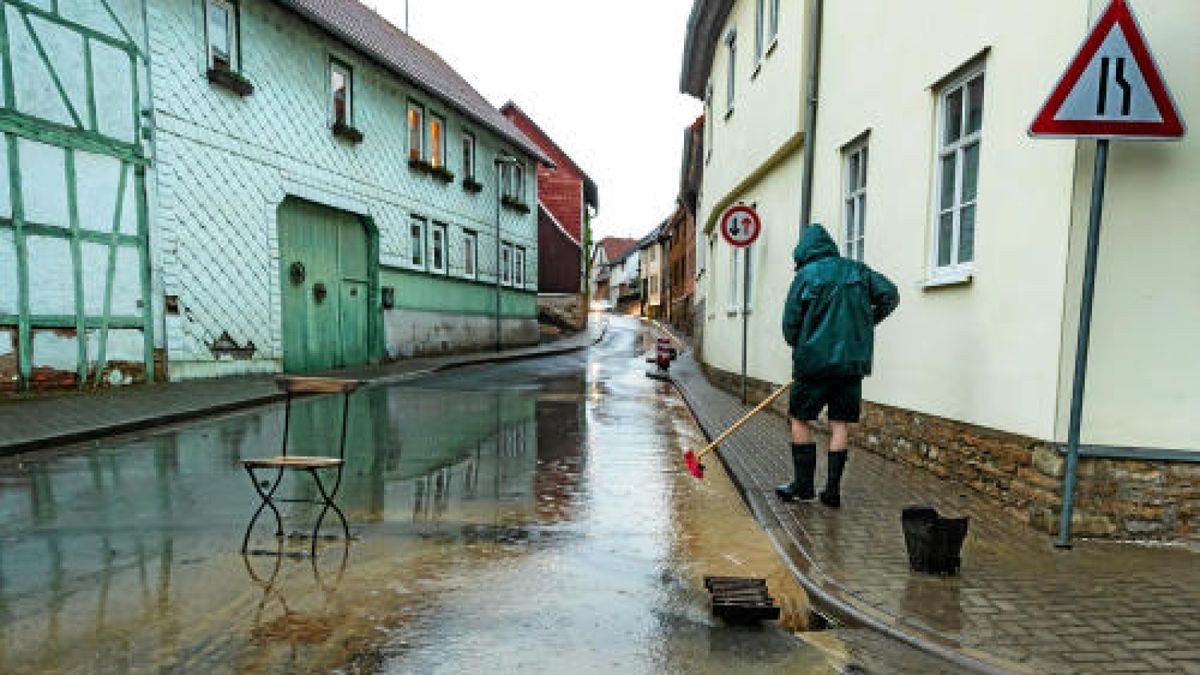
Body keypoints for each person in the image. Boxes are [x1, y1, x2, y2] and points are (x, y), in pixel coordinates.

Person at [775, 224, 899, 507]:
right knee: (840, 423)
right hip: (851, 365)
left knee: (799, 418)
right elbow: (890, 295)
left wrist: (801, 344)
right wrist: (866, 322)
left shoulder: (806, 276)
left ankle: (803, 487)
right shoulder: (857, 270)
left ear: (804, 252)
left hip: (813, 365)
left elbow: (790, 325)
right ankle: (832, 492)